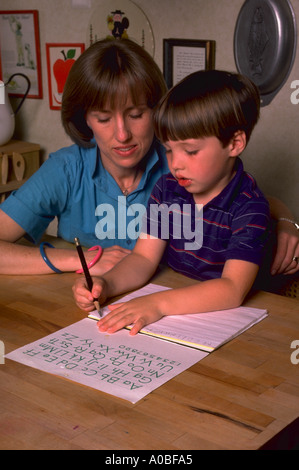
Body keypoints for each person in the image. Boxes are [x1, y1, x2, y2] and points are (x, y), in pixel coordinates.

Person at [0, 39, 298, 278]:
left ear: (158, 110)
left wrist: (285, 222)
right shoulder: (66, 169)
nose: (122, 135)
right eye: (103, 118)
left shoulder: (177, 160)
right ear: (84, 120)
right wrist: (81, 260)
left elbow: (243, 196)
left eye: (136, 115)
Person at [72, 70, 295, 335]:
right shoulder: (167, 189)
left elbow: (232, 289)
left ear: (235, 144)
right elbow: (143, 258)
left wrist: (158, 303)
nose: (175, 164)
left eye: (190, 151)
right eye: (168, 149)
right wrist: (106, 284)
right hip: (172, 309)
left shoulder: (250, 207)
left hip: (222, 325)